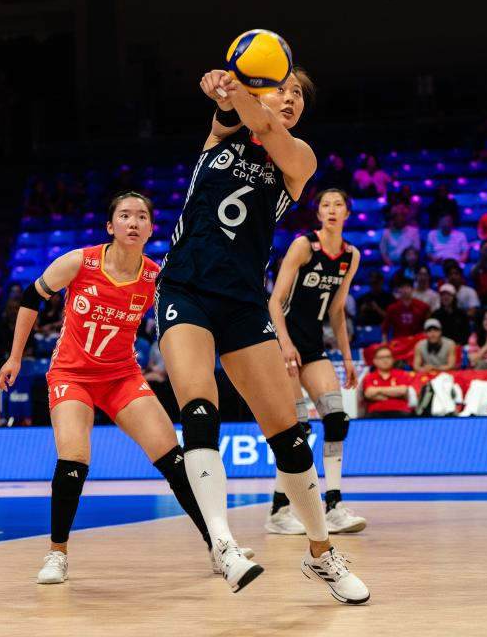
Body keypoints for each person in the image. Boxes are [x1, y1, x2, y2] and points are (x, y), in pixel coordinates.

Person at [154, 68, 367, 602]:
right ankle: (223, 544)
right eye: (282, 89)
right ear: (259, 91)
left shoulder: (300, 158)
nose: (291, 99)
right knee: (199, 409)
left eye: (299, 95)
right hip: (185, 288)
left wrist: (239, 92)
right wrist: (222, 87)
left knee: (288, 434)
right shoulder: (223, 132)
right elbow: (234, 113)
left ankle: (321, 554)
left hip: (244, 301)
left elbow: (269, 128)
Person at [0, 193, 217, 585]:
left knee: (172, 456)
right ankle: (57, 553)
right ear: (110, 226)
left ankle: (219, 546)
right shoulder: (80, 262)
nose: (133, 222)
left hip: (122, 376)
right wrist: (15, 357)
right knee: (74, 458)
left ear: (150, 229)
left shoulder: (154, 278)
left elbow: (181, 320)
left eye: (142, 217)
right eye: (125, 216)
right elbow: (32, 296)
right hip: (72, 376)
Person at [264, 187, 366, 537]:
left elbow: (336, 311)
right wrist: (285, 344)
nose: (332, 209)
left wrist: (348, 358)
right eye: (326, 204)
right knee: (298, 428)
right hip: (282, 342)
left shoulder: (351, 255)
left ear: (347, 213)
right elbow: (274, 301)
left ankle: (333, 506)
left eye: (338, 205)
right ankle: (279, 511)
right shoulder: (304, 245)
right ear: (319, 213)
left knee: (336, 419)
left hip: (313, 346)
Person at [362, 346, 412, 417]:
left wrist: (377, 390)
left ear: (393, 359)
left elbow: (402, 391)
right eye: (381, 357)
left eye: (388, 357)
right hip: (375, 412)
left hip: (401, 411)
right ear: (375, 361)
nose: (385, 360)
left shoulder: (401, 374)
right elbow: (368, 394)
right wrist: (395, 395)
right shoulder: (369, 376)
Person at [381, 277, 431, 342]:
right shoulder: (392, 308)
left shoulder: (423, 307)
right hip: (398, 342)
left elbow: (429, 325)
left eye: (407, 287)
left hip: (417, 341)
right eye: (402, 287)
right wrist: (384, 342)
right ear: (398, 290)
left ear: (412, 289)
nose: (405, 290)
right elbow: (384, 329)